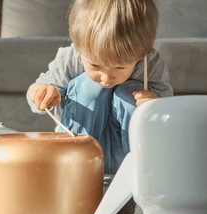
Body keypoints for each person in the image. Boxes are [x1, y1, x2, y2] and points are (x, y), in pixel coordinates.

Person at [26, 0, 173, 175]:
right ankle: (74, 171)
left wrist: (155, 106)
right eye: (95, 66)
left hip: (128, 157)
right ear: (79, 48)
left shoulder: (151, 63)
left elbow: (169, 113)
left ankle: (139, 175)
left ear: (142, 53)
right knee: (89, 87)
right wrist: (43, 93)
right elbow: (35, 99)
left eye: (119, 67)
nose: (106, 78)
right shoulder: (71, 58)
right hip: (80, 152)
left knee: (131, 96)